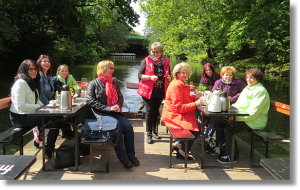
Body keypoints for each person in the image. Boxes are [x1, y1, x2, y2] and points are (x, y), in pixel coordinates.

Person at [86, 60, 139, 168]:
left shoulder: (114, 83)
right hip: (101, 114)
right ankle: (123, 158)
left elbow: (120, 97)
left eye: (113, 68)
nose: (113, 70)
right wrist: (108, 108)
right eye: (111, 68)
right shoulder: (93, 84)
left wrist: (117, 106)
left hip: (114, 112)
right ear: (103, 69)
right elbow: (90, 101)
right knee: (117, 126)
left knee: (128, 127)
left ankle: (131, 155)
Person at [216, 68, 270, 164]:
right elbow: (238, 104)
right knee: (220, 123)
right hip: (244, 117)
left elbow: (253, 112)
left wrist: (236, 118)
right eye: (247, 77)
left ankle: (231, 156)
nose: (248, 80)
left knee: (229, 128)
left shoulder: (261, 91)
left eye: (251, 78)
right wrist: (231, 112)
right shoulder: (247, 88)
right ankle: (223, 149)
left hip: (255, 121)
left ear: (258, 78)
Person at [9, 59, 59, 158]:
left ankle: (48, 148)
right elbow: (20, 106)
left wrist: (47, 107)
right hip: (20, 118)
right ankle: (48, 150)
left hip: (30, 114)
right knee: (55, 121)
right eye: (30, 69)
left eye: (35, 69)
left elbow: (37, 101)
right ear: (24, 70)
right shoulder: (20, 83)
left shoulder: (32, 82)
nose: (33, 72)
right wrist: (39, 107)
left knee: (56, 118)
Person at [161, 62, 202, 160]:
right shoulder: (177, 85)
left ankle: (179, 144)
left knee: (198, 126)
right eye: (182, 72)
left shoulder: (181, 83)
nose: (185, 75)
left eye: (187, 73)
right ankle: (183, 151)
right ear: (177, 73)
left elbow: (185, 97)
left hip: (174, 114)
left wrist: (195, 97)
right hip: (172, 117)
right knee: (198, 128)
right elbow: (179, 108)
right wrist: (196, 104)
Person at [205, 66, 247, 155]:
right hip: (219, 106)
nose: (228, 77)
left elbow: (246, 89)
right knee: (215, 118)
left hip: (231, 108)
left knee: (219, 121)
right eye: (226, 75)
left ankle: (215, 142)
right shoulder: (218, 82)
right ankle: (211, 140)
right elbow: (213, 93)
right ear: (222, 75)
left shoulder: (238, 82)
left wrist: (234, 97)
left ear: (233, 76)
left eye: (230, 75)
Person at [137, 42, 171, 144]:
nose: (155, 54)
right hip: (148, 90)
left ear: (161, 52)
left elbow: (168, 75)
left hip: (160, 90)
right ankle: (149, 133)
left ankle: (155, 131)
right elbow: (139, 76)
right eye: (153, 52)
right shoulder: (146, 61)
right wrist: (150, 77)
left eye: (157, 52)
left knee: (156, 112)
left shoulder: (166, 62)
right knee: (150, 111)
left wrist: (169, 78)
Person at [32, 54, 55, 147]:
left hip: (49, 104)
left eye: (48, 61)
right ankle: (39, 133)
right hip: (41, 105)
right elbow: (40, 94)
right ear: (39, 63)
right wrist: (48, 104)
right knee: (55, 123)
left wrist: (54, 103)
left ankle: (44, 138)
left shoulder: (49, 76)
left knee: (58, 120)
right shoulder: (40, 76)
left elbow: (52, 92)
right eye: (44, 61)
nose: (47, 63)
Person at [53, 64, 78, 138]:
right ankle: (66, 130)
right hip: (58, 100)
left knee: (75, 110)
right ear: (59, 72)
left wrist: (73, 91)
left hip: (70, 98)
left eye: (66, 71)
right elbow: (54, 91)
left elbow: (76, 86)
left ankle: (71, 129)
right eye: (62, 71)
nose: (64, 73)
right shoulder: (55, 79)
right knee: (65, 113)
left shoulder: (70, 77)